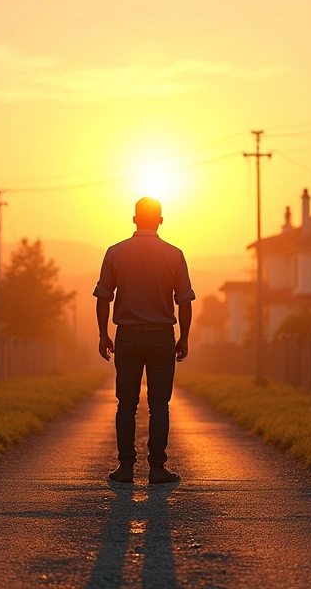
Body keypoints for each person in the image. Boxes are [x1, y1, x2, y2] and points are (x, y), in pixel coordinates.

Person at [93, 197, 195, 485]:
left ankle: (125, 468)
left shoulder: (115, 252)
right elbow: (184, 302)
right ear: (161, 220)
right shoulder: (174, 254)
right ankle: (157, 468)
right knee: (159, 405)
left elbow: (103, 297)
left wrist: (103, 334)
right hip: (162, 335)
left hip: (126, 335)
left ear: (134, 219)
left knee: (126, 404)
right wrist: (184, 338)